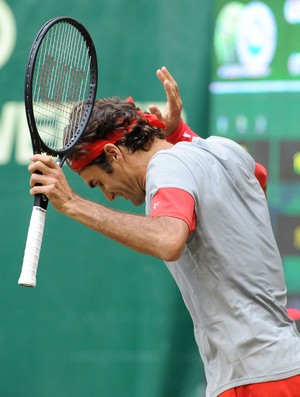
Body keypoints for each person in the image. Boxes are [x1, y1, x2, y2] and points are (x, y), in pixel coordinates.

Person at [28, 67, 300, 397]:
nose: (109, 195)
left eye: (99, 183)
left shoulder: (166, 168)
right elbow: (258, 178)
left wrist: (73, 203)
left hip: (254, 379)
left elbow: (168, 240)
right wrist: (181, 133)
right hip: (286, 365)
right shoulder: (219, 149)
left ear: (114, 153)